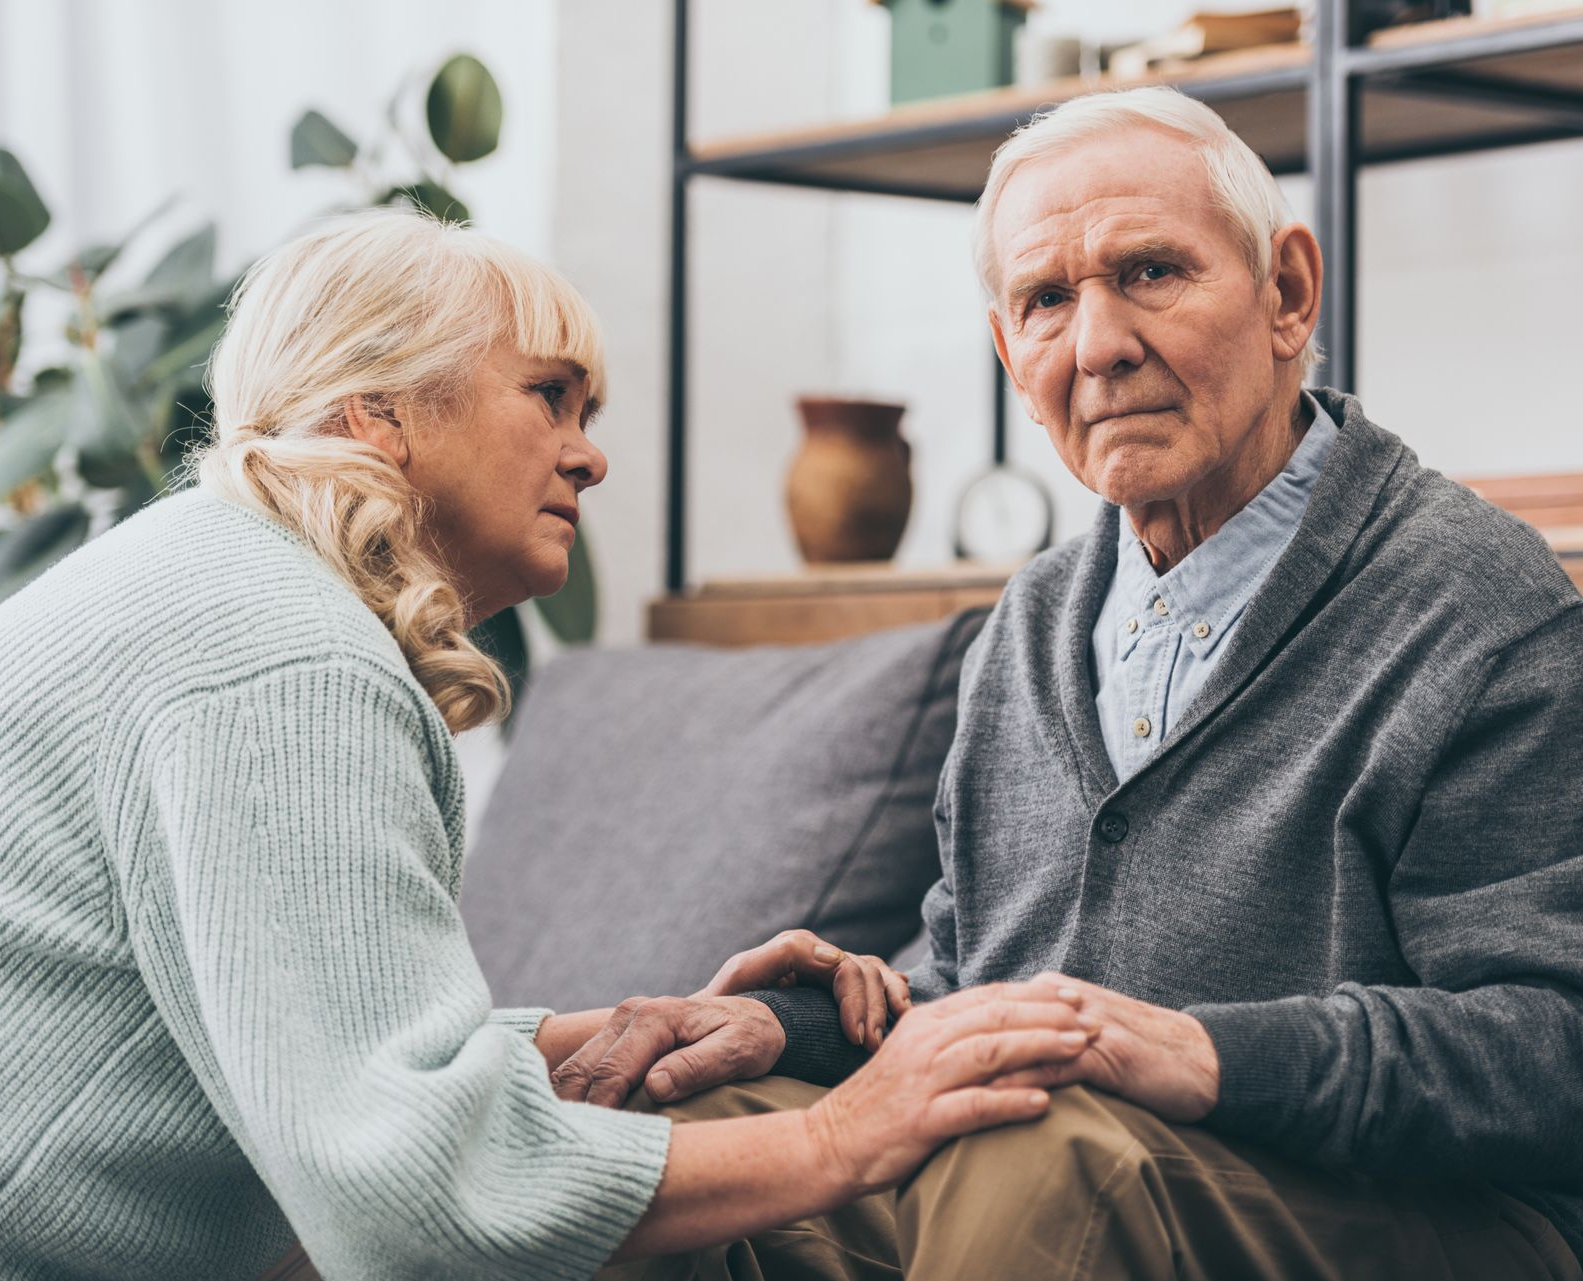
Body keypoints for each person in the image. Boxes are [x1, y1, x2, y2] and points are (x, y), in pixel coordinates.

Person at [582, 87, 1583, 1281]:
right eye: (1046, 300)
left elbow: (1577, 1059)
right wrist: (779, 1032)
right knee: (659, 1157)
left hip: (1422, 1221)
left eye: (1148, 273)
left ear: (1287, 295)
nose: (1096, 344)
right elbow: (975, 990)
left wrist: (1201, 1054)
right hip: (1053, 1177)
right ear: (1010, 350)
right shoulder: (1034, 619)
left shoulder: (1475, 600)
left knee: (1037, 1152)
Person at [0, 209, 1100, 1281]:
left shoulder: (207, 582)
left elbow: (318, 1048)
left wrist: (623, 1030)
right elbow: (412, 1205)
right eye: (549, 398)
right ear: (376, 414)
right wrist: (848, 1134)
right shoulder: (283, 660)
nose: (591, 459)